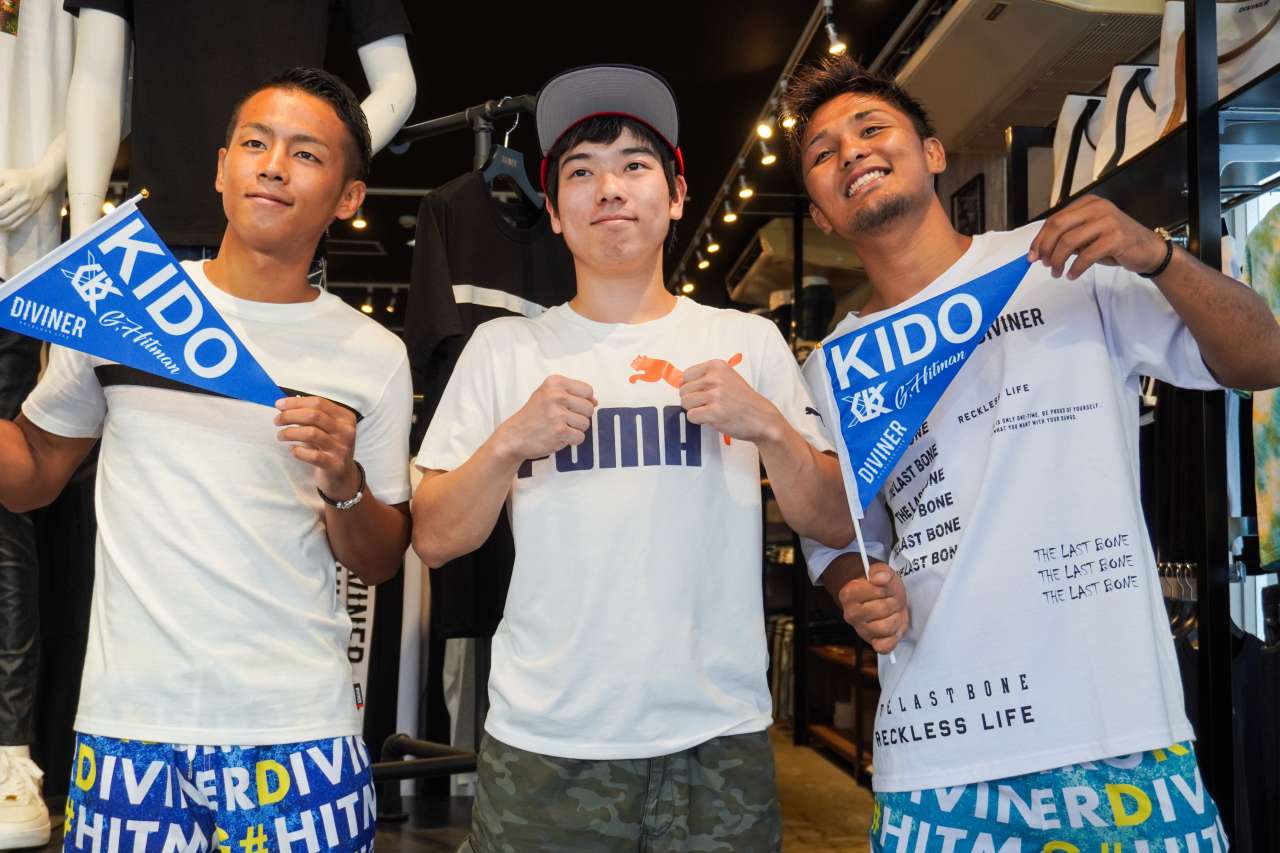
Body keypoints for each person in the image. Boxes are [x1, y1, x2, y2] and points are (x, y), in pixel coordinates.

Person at [782, 54, 1280, 852]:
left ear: (933, 152)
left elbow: (1263, 357)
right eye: (822, 152)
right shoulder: (834, 366)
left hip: (1119, 721)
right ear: (822, 214)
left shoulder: (1058, 264)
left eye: (871, 127)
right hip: (939, 742)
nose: (852, 151)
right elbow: (841, 534)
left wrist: (1156, 256)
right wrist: (852, 589)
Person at [411, 64, 851, 852]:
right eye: (581, 172)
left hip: (717, 737)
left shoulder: (746, 342)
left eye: (634, 165)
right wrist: (509, 442)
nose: (609, 188)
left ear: (676, 196)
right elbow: (437, 537)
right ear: (554, 211)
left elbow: (833, 520)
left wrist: (767, 426)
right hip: (547, 741)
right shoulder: (505, 349)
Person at [0, 67, 412, 852]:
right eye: (255, 144)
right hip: (128, 725)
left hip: (298, 730)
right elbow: (32, 473)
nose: (273, 166)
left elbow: (381, 556)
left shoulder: (372, 354)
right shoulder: (122, 308)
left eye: (306, 154)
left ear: (349, 197)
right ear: (222, 167)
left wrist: (345, 482)